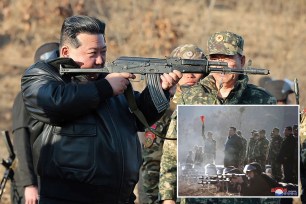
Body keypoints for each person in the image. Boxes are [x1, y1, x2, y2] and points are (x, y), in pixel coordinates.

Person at [20, 15, 181, 204]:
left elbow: (137, 117)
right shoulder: (42, 75)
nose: (100, 60)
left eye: (103, 51)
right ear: (65, 51)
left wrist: (160, 91)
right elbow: (52, 103)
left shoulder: (105, 80)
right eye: (92, 53)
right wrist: (105, 88)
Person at [158, 31, 277, 204]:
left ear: (242, 61)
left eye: (227, 57)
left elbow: (270, 162)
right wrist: (168, 198)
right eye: (215, 58)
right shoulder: (190, 97)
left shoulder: (263, 100)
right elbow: (171, 152)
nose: (221, 65)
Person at [141, 44, 206, 204]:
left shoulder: (212, 106)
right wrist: (160, 199)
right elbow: (152, 162)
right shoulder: (164, 108)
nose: (190, 75)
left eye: (196, 69)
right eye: (184, 69)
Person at [11, 42, 60, 204]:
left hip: (53, 181)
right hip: (33, 183)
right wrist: (29, 184)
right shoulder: (26, 95)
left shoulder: (62, 95)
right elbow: (21, 139)